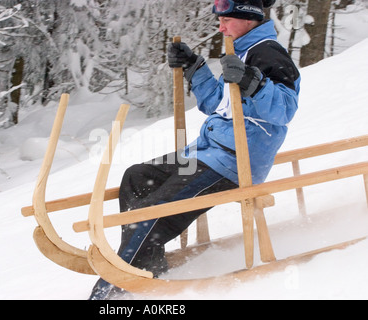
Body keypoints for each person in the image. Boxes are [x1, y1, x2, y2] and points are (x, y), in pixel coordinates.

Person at [88, 0, 300, 300]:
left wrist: (254, 83)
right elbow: (219, 104)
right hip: (207, 151)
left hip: (235, 159)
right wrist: (194, 67)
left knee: (154, 210)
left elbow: (285, 109)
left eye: (226, 19)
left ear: (248, 18)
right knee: (136, 177)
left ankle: (115, 284)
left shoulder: (267, 52)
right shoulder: (239, 51)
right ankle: (144, 261)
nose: (220, 27)